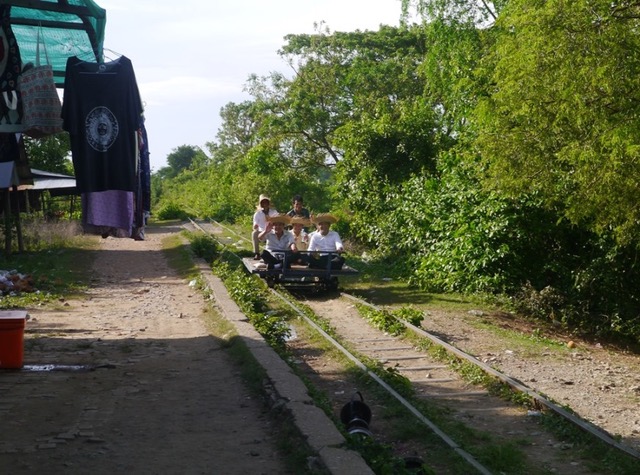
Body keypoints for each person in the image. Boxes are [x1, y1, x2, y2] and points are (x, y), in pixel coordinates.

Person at [252, 194, 278, 260]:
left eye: (266, 202)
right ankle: (257, 253)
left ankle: (276, 253)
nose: (265, 204)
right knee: (254, 233)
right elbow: (255, 225)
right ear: (261, 204)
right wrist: (255, 226)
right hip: (262, 232)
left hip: (272, 231)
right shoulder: (257, 214)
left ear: (268, 203)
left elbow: (278, 220)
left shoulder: (274, 212)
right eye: (263, 202)